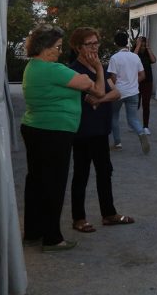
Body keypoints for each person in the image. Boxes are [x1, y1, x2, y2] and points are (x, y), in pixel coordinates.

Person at [20, 26, 106, 252]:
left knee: (36, 183)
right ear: (45, 48)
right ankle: (52, 238)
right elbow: (98, 91)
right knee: (54, 185)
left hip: (34, 128)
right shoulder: (54, 70)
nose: (59, 52)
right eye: (57, 47)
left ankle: (33, 231)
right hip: (54, 132)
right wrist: (97, 68)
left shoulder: (32, 67)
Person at [68, 28, 136, 234]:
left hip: (100, 129)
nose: (94, 47)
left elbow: (115, 93)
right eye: (89, 44)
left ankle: (109, 213)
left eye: (96, 43)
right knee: (81, 173)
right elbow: (94, 93)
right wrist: (99, 89)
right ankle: (78, 218)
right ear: (78, 47)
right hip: (83, 130)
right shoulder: (74, 71)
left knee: (105, 172)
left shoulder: (100, 68)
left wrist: (100, 98)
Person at [108, 32, 150, 154]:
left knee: (114, 116)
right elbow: (143, 75)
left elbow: (113, 78)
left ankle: (118, 143)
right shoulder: (135, 57)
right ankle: (141, 133)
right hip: (133, 92)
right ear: (127, 42)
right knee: (132, 119)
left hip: (118, 92)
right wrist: (132, 82)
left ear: (115, 43)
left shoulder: (115, 58)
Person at [133, 36, 156, 134]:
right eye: (141, 45)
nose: (142, 47)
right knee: (135, 104)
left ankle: (145, 126)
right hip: (136, 81)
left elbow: (154, 60)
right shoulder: (134, 52)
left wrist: (148, 48)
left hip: (148, 81)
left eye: (143, 45)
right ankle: (134, 123)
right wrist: (137, 46)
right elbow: (132, 58)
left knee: (146, 104)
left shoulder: (147, 52)